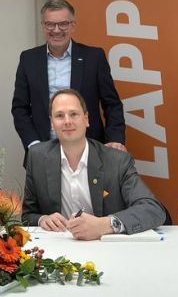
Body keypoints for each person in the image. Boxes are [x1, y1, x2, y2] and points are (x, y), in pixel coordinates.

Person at [22, 89, 167, 240]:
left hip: (106, 247)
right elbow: (27, 215)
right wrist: (42, 219)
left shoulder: (117, 161)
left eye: (74, 114)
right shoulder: (37, 157)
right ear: (52, 123)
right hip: (60, 246)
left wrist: (105, 225)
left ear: (86, 119)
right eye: (59, 116)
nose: (67, 121)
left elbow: (153, 209)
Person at [11, 0, 125, 156]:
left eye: (63, 24)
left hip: (89, 150)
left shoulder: (94, 58)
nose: (56, 30)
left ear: (73, 25)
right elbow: (20, 108)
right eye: (50, 24)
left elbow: (112, 104)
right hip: (44, 152)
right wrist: (33, 144)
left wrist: (115, 139)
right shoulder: (28, 59)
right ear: (43, 25)